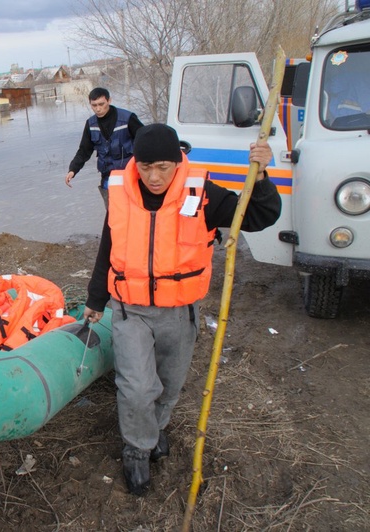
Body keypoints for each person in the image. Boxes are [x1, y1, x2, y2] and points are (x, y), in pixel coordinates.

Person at [82, 124, 280, 496]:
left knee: (168, 385)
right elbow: (108, 246)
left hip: (179, 311)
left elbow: (258, 216)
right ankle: (137, 449)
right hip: (131, 310)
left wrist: (263, 174)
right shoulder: (121, 192)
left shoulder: (202, 193)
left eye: (163, 167)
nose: (153, 177)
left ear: (178, 162)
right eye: (145, 167)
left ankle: (156, 429)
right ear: (135, 164)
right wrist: (96, 300)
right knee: (137, 386)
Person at [64, 87, 144, 203]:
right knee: (112, 214)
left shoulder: (127, 119)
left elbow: (145, 141)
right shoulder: (91, 124)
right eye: (94, 105)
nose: (98, 109)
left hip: (131, 175)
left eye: (101, 104)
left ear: (109, 101)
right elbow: (84, 151)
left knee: (135, 210)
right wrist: (73, 169)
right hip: (108, 177)